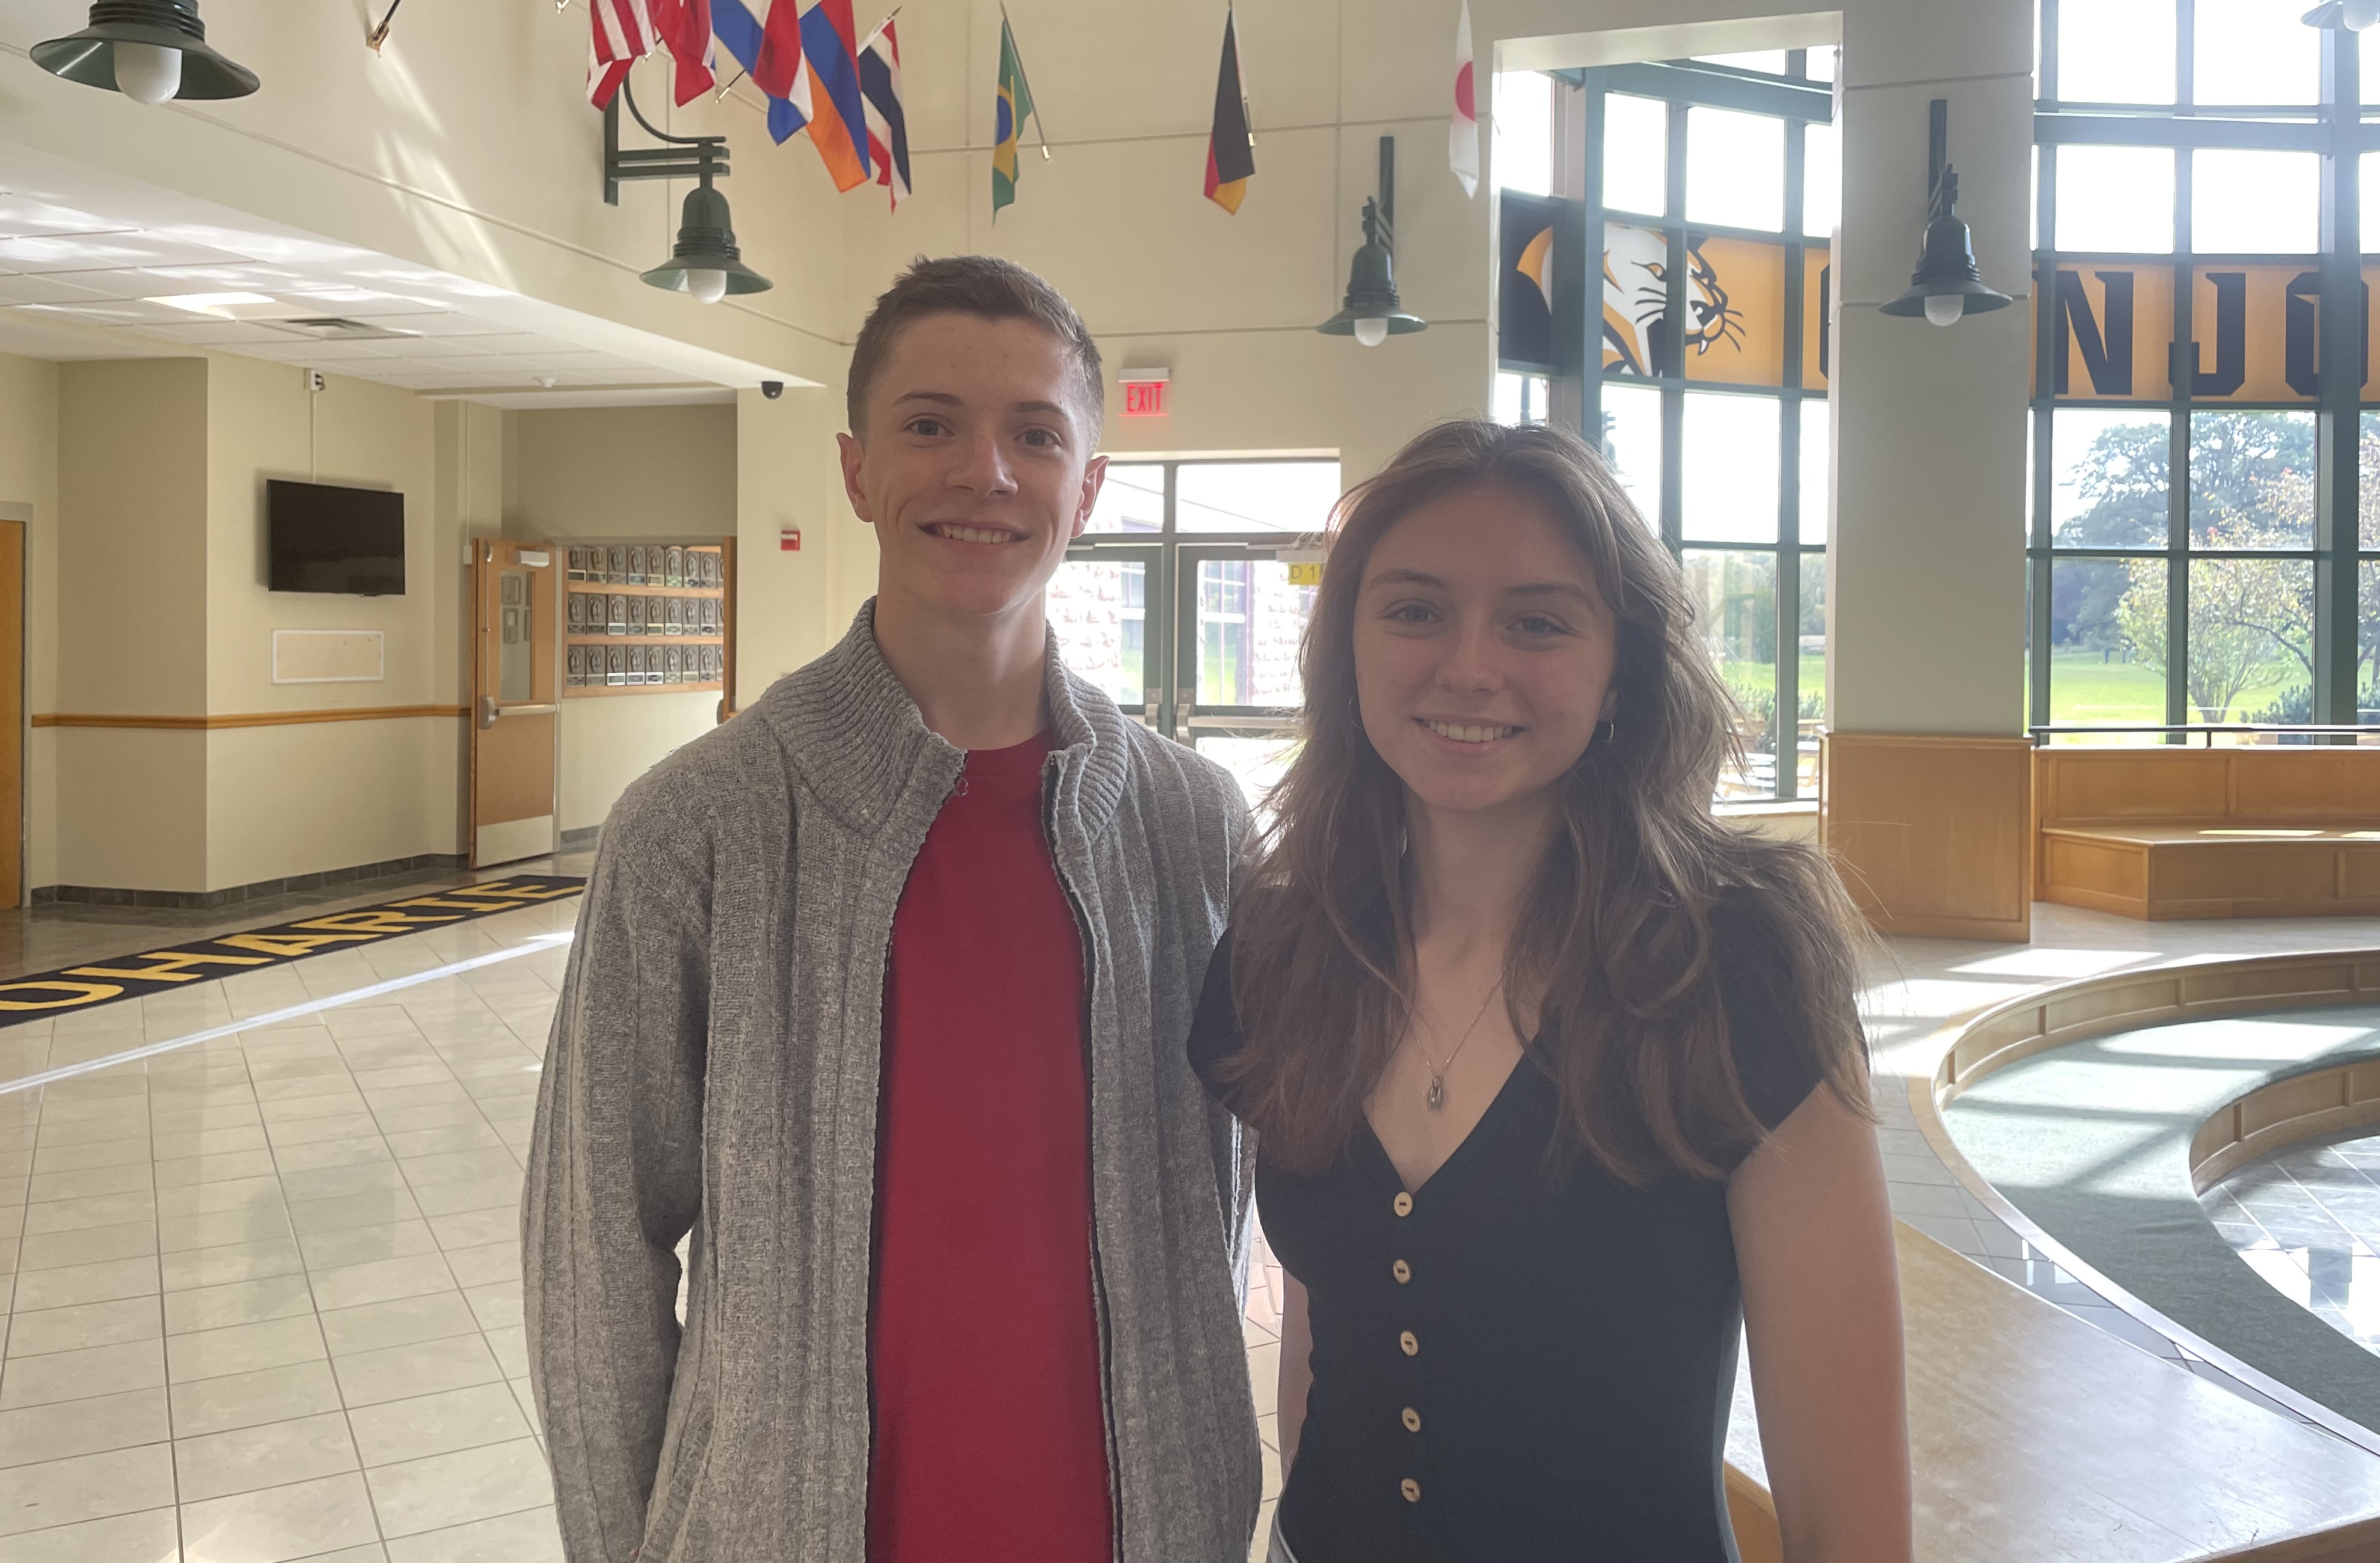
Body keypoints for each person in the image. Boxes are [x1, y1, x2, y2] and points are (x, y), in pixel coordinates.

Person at [527, 255, 1264, 1563]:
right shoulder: (699, 824)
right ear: (859, 468)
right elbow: (594, 1252)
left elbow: (1223, 1196)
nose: (985, 472)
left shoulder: (1189, 824)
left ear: (1086, 488)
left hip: (1136, 1522)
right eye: (931, 424)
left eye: (1035, 435)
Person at [1191, 420, 1909, 1563]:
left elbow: (1849, 1521)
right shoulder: (1287, 948)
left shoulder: (1738, 966)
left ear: (1621, 664)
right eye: (1416, 609)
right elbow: (1326, 1331)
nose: (1471, 667)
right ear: (1348, 650)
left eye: (1536, 621)